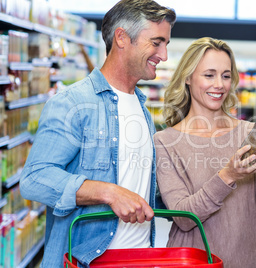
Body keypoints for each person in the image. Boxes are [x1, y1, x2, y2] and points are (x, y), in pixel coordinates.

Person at [19, 1, 176, 267]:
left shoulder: (142, 108)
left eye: (166, 45)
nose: (164, 55)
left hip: (141, 258)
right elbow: (34, 178)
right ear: (122, 37)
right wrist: (109, 193)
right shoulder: (72, 103)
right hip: (88, 261)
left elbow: (137, 187)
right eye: (157, 42)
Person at [154, 37, 256, 268]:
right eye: (209, 75)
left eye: (226, 76)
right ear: (188, 78)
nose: (219, 84)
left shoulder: (251, 133)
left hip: (245, 261)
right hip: (191, 262)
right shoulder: (166, 141)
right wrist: (228, 175)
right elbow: (183, 217)